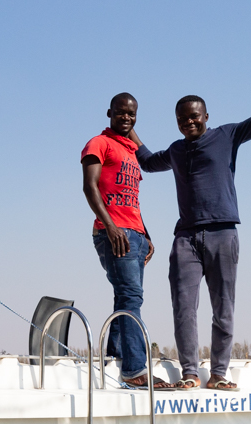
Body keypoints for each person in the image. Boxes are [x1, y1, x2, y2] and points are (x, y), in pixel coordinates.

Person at [130, 56, 251, 390]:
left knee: (223, 309)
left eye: (194, 117)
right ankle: (191, 373)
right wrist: (128, 127)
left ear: (206, 117)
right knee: (183, 308)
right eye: (182, 119)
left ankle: (219, 374)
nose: (188, 123)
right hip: (186, 239)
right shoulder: (177, 151)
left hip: (223, 233)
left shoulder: (227, 135)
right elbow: (148, 162)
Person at [81, 92, 157, 387]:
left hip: (136, 234)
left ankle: (116, 352)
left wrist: (146, 235)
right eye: (121, 112)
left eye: (132, 113)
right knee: (131, 296)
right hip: (113, 231)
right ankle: (135, 369)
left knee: (124, 296)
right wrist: (111, 227)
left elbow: (132, 201)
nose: (126, 117)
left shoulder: (131, 151)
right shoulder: (98, 143)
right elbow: (90, 187)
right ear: (109, 112)